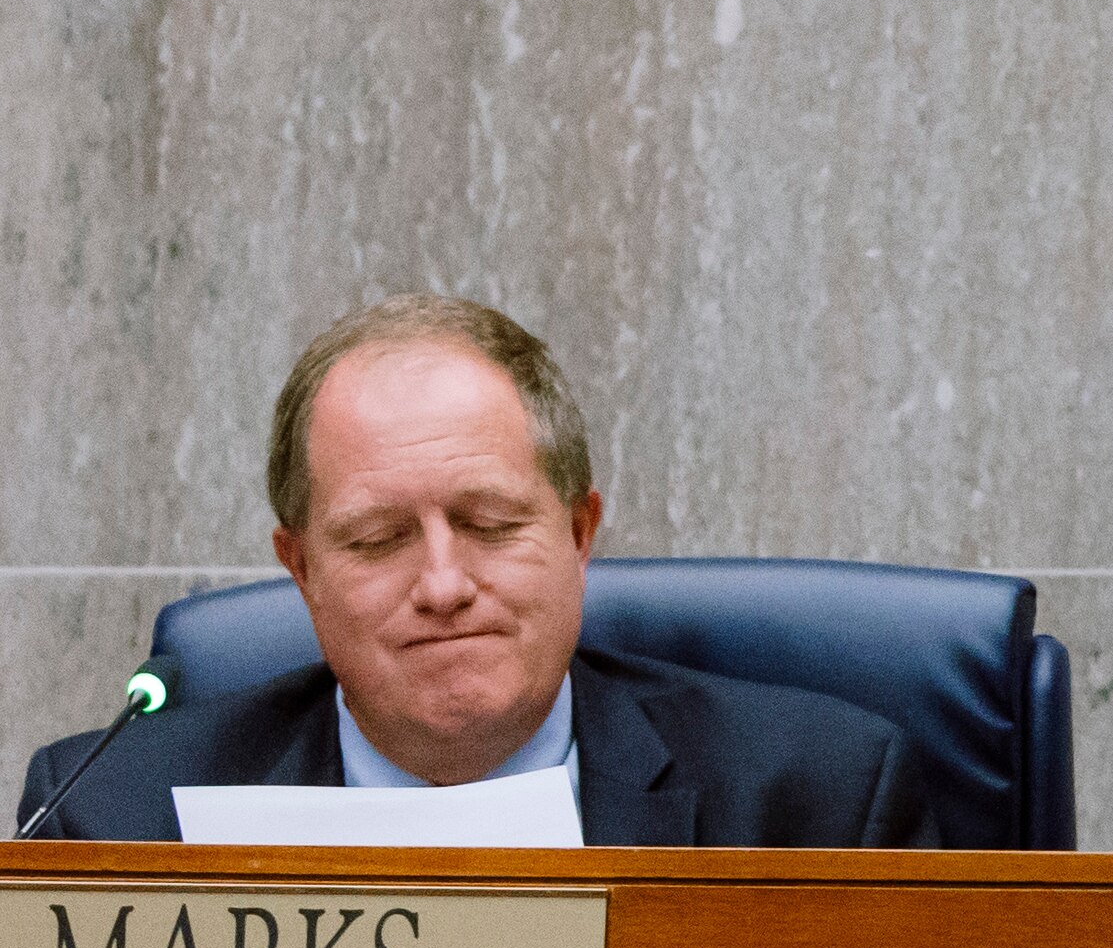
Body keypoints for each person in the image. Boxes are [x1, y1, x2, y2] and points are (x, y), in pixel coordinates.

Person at [19, 295, 936, 846]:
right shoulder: (112, 819)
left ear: (581, 531)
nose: (444, 584)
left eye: (490, 524)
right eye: (378, 539)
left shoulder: (818, 801)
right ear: (300, 571)